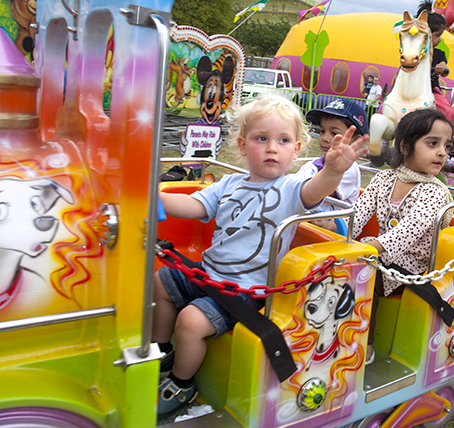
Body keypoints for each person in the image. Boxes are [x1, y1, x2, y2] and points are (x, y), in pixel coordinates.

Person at [152, 94, 369, 418]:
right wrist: (156, 197)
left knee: (190, 321)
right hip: (208, 274)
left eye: (282, 140)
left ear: (296, 150)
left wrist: (333, 172)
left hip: (243, 291)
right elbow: (195, 206)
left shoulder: (291, 188)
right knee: (160, 282)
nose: (271, 147)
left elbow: (315, 190)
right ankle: (161, 351)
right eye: (261, 138)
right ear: (242, 145)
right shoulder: (228, 184)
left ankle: (183, 383)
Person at [352, 108, 454, 364]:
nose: (442, 152)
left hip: (411, 265)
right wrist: (338, 232)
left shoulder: (434, 192)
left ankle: (365, 345)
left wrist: (369, 248)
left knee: (365, 275)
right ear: (406, 146)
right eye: (433, 143)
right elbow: (358, 213)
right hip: (379, 255)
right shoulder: (384, 179)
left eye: (446, 145)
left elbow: (408, 231)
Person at [296, 98, 369, 231]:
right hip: (306, 226)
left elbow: (321, 192)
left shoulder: (348, 169)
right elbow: (293, 188)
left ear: (355, 140)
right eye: (322, 131)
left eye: (334, 133)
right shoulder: (311, 166)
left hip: (333, 233)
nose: (325, 138)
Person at [417, 0, 454, 123]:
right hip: (412, 89)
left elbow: (444, 68)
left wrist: (442, 66)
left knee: (449, 112)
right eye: (438, 35)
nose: (439, 40)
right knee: (384, 107)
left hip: (431, 89)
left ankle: (446, 138)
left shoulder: (439, 53)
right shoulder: (414, 52)